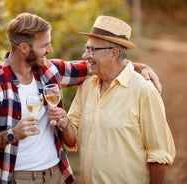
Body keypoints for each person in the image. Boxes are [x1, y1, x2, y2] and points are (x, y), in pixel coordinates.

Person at [0, 13, 162, 184]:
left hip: (56, 174)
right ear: (24, 48)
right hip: (17, 177)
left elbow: (102, 65)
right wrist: (12, 134)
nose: (50, 49)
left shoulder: (50, 70)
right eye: (44, 45)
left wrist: (140, 67)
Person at [47, 15, 176, 184]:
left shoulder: (144, 91)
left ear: (114, 53)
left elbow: (159, 156)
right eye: (87, 48)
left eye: (93, 50)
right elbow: (73, 139)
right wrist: (64, 123)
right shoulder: (87, 85)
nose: (86, 55)